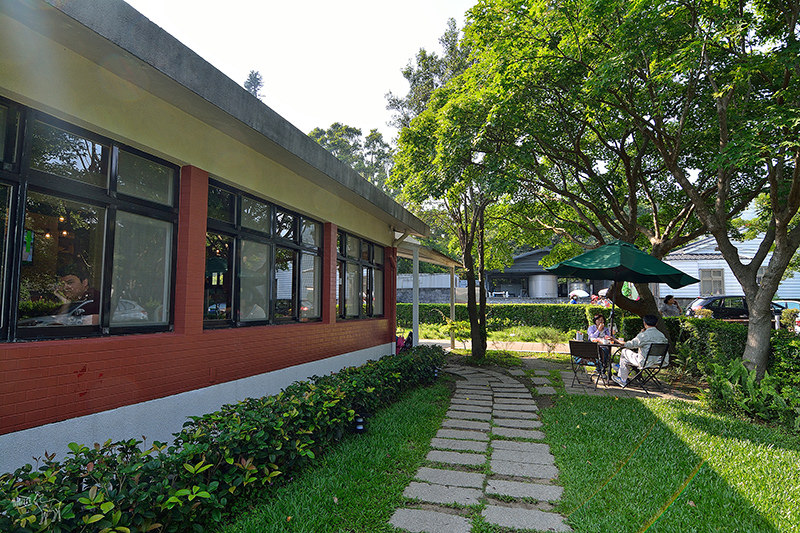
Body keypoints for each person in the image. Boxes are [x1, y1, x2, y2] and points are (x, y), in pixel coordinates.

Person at [612, 314, 668, 387]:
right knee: (626, 360)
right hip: (660, 362)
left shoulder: (643, 335)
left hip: (645, 362)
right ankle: (620, 369)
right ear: (656, 323)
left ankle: (622, 379)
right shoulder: (662, 335)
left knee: (624, 351)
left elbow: (630, 345)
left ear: (644, 323)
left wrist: (615, 340)